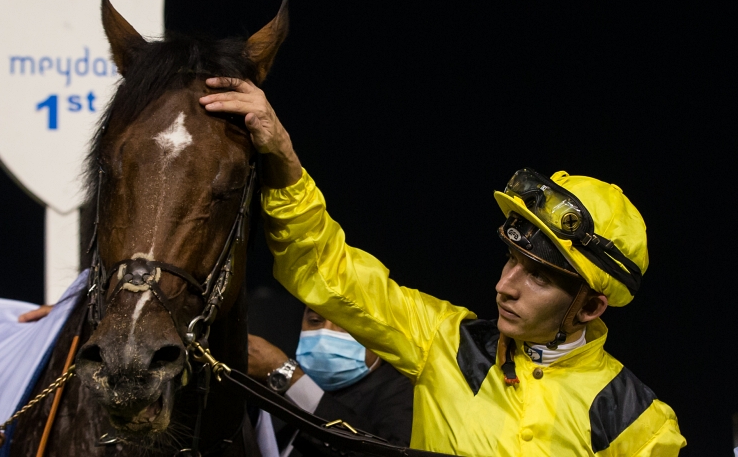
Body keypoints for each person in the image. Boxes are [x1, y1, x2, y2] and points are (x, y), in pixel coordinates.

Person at [198, 77, 687, 456]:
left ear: (590, 307)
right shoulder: (445, 341)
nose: (504, 287)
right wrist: (283, 156)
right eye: (511, 262)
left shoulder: (640, 422)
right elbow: (327, 268)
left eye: (537, 276)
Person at [248, 306, 413, 456]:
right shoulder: (282, 398)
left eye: (345, 323)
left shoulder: (403, 393)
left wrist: (289, 377)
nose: (324, 334)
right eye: (315, 321)